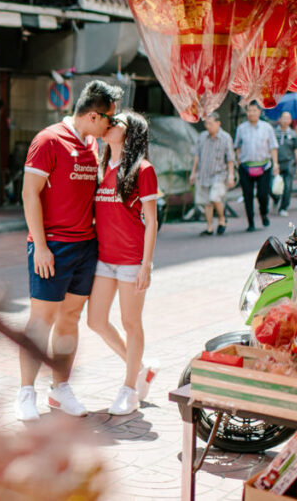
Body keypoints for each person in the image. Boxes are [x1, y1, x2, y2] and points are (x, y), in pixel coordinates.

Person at [16, 79, 124, 421]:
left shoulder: (92, 146)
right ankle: (25, 392)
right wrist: (42, 246)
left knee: (70, 318)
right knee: (41, 320)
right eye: (110, 119)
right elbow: (29, 194)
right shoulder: (48, 140)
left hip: (85, 247)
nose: (112, 125)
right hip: (53, 247)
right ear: (93, 116)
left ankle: (59, 389)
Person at [86, 111, 160, 416]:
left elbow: (152, 221)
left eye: (116, 123)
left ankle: (130, 389)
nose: (109, 125)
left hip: (131, 260)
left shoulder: (144, 170)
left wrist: (146, 265)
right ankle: (140, 368)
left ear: (129, 134)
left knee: (131, 323)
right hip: (104, 259)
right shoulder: (101, 166)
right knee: (96, 321)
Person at [235, 101, 280, 232]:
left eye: (254, 110)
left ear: (259, 112)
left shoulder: (267, 127)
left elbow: (273, 147)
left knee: (262, 195)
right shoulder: (241, 128)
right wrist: (239, 162)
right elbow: (237, 146)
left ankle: (264, 214)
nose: (252, 113)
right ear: (246, 112)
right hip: (246, 167)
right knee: (247, 195)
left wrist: (275, 164)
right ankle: (250, 222)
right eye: (249, 110)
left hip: (264, 167)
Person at [189, 113, 235, 236]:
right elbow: (197, 156)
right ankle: (209, 227)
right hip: (204, 173)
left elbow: (230, 159)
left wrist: (231, 175)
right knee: (206, 202)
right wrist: (193, 173)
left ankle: (222, 218)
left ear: (218, 123)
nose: (207, 126)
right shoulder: (202, 137)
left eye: (210, 123)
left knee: (214, 197)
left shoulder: (225, 138)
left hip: (219, 174)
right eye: (206, 123)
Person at [273, 112, 297, 217]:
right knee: (271, 186)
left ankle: (283, 207)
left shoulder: (294, 134)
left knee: (288, 186)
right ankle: (276, 198)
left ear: (291, 121)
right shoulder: (273, 132)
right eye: (284, 118)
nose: (286, 120)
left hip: (289, 163)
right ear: (279, 119)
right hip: (275, 163)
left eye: (288, 118)